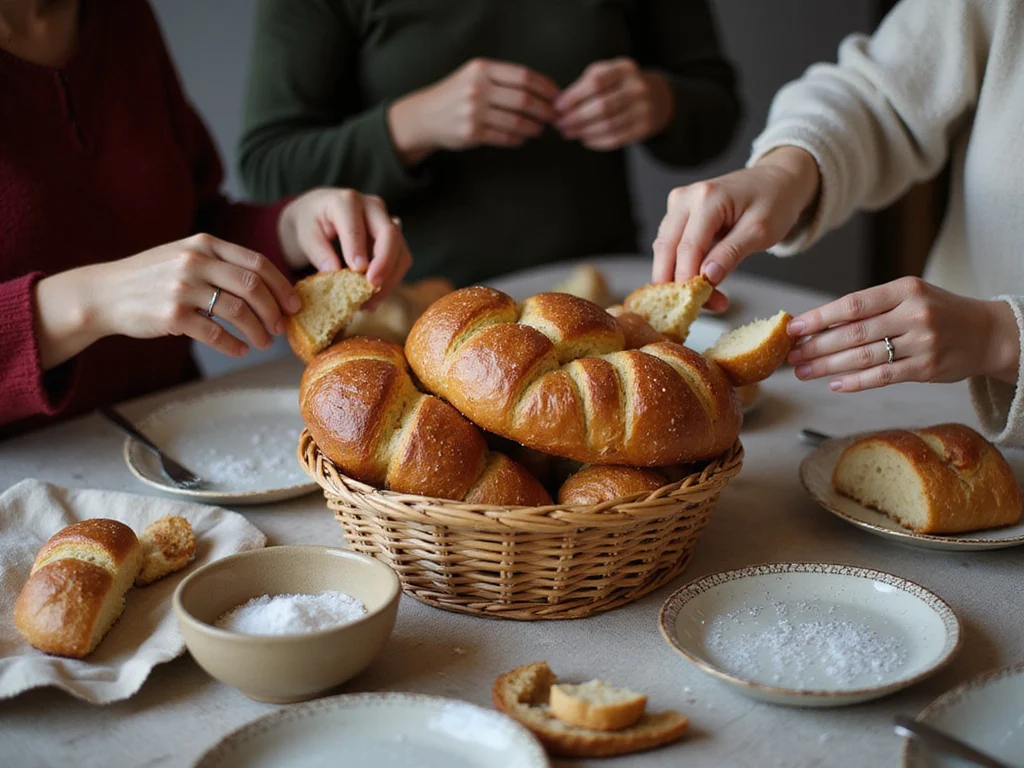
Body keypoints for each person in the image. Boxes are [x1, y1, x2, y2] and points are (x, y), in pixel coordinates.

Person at [0, 0, 411, 438]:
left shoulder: (120, 15)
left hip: (178, 438)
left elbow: (188, 224)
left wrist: (290, 228)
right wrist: (91, 302)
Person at [649, 0, 1024, 445]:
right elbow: (882, 92)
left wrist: (999, 338)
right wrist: (787, 170)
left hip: (963, 391)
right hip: (943, 408)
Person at [238, 0, 740, 287]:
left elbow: (719, 111)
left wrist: (661, 101)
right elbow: (267, 170)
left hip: (602, 290)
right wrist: (410, 125)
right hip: (402, 307)